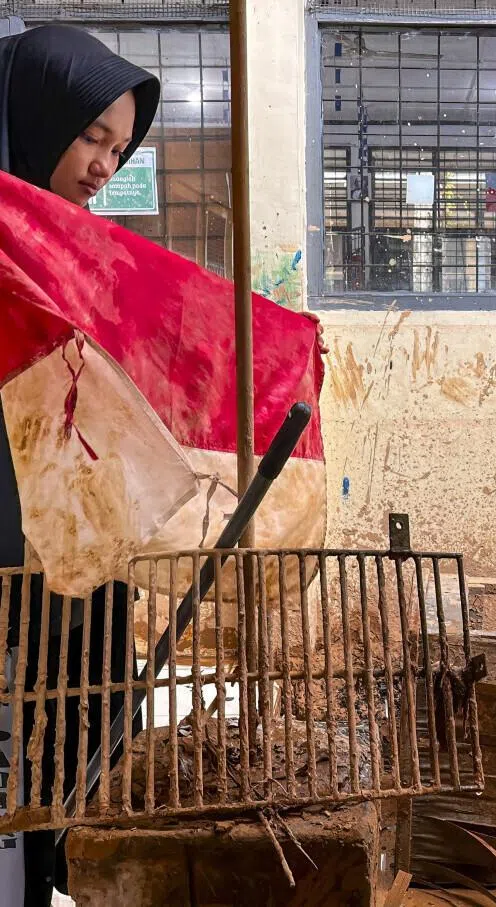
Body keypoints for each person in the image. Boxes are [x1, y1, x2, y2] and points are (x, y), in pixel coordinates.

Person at [0, 24, 160, 907]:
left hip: (70, 543)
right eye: (92, 136)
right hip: (10, 547)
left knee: (79, 714)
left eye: (120, 147)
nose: (105, 164)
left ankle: (55, 869)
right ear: (36, 116)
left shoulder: (75, 246)